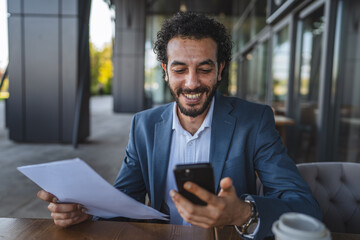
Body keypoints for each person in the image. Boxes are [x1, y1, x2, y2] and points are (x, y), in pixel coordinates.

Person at [38, 12, 321, 239]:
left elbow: (306, 209)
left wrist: (243, 214)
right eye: (180, 69)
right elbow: (122, 202)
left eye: (205, 69)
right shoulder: (144, 125)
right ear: (164, 71)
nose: (192, 82)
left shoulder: (254, 121)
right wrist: (86, 212)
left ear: (221, 69)